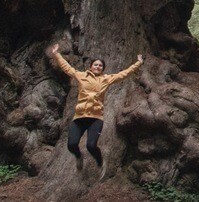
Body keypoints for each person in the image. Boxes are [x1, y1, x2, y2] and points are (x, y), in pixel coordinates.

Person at [48, 43, 144, 173]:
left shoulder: (106, 79)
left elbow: (123, 74)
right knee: (71, 145)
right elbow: (67, 68)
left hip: (95, 118)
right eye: (95, 64)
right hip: (80, 117)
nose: (98, 67)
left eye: (100, 65)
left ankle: (100, 161)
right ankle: (78, 156)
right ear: (91, 66)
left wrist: (138, 63)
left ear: (102, 68)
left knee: (91, 145)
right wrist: (56, 54)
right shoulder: (81, 76)